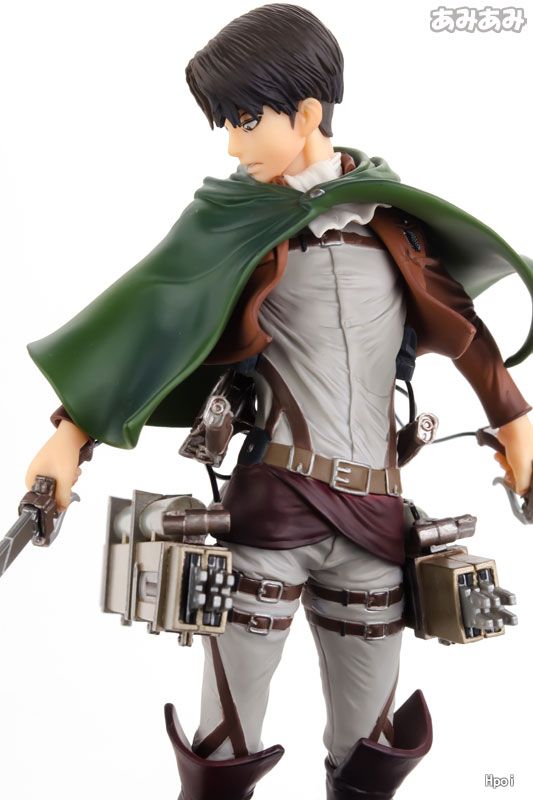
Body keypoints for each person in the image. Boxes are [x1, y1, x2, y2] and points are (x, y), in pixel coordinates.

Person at [24, 5, 533, 799]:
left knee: (369, 756)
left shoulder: (393, 226)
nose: (232, 146)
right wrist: (69, 436)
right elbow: (147, 321)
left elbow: (464, 332)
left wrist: (517, 429)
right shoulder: (231, 222)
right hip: (267, 518)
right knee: (222, 753)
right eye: (226, 124)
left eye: (244, 121)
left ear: (305, 113)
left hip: (376, 526)